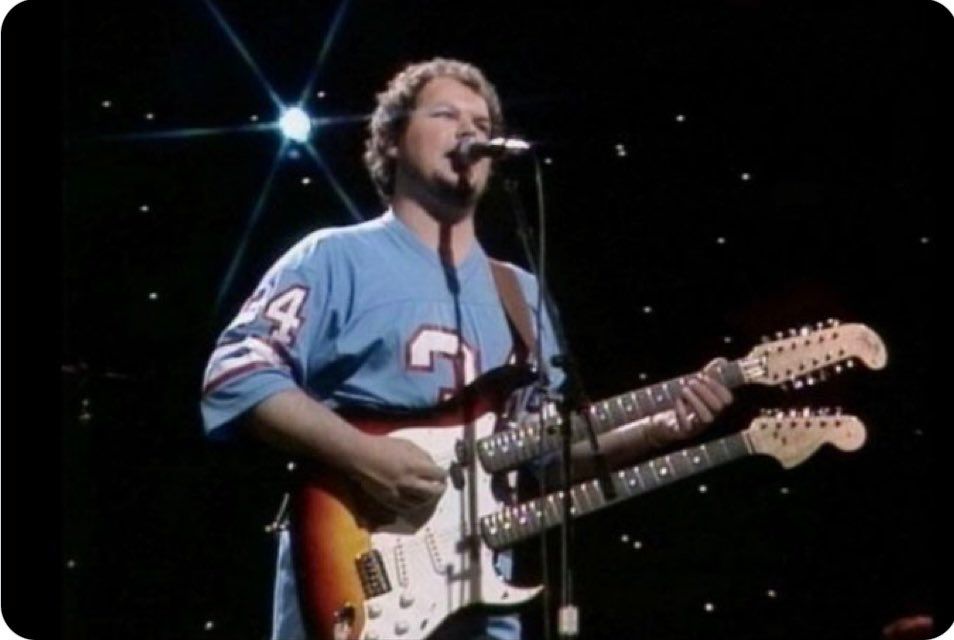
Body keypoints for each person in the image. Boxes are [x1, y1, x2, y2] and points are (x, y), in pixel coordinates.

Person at [200, 57, 733, 640]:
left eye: (482, 123)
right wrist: (364, 456)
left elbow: (542, 457)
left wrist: (657, 430)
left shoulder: (520, 293)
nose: (470, 131)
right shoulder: (334, 257)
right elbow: (237, 374)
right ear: (392, 140)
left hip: (481, 594)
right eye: (446, 114)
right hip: (354, 568)